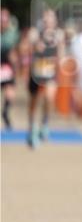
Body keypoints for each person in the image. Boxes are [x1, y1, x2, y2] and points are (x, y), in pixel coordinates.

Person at [26, 8, 66, 148]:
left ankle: (45, 123)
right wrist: (35, 46)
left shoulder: (59, 34)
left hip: (50, 72)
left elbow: (61, 54)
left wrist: (58, 58)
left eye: (50, 17)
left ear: (55, 20)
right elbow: (26, 48)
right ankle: (32, 129)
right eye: (45, 17)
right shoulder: (35, 32)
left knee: (49, 98)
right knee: (34, 102)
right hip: (36, 72)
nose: (47, 20)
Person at [1, 8, 20, 129]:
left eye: (4, 20)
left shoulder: (12, 34)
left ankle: (5, 113)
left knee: (10, 94)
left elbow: (16, 51)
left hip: (7, 66)